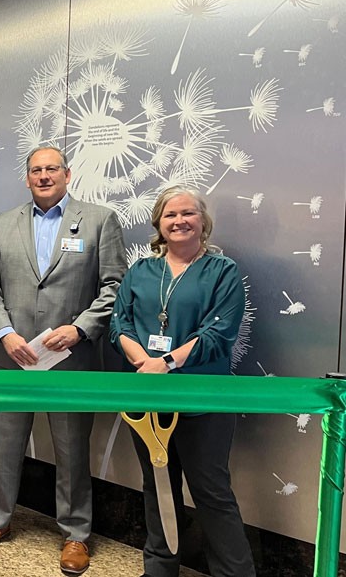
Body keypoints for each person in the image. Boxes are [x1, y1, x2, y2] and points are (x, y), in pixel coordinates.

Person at [0, 146, 126, 574]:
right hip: (14, 356)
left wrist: (79, 329)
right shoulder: (5, 223)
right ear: (27, 178)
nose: (43, 176)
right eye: (36, 170)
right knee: (5, 446)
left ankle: (76, 534)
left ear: (67, 174)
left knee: (73, 451)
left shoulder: (99, 220)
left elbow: (115, 286)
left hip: (70, 359)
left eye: (51, 169)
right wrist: (5, 333)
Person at [109, 187, 255, 577]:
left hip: (202, 400)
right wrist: (143, 360)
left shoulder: (222, 271)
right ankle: (160, 567)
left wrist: (167, 362)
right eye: (170, 215)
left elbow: (218, 333)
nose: (179, 221)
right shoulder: (141, 271)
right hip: (146, 396)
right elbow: (119, 321)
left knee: (211, 492)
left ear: (202, 221)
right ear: (158, 223)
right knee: (157, 486)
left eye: (188, 213)